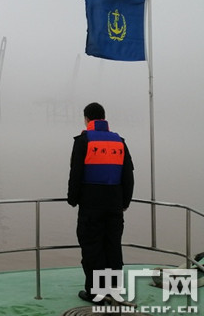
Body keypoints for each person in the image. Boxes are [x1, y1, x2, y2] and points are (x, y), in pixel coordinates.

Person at [67, 102, 134, 303]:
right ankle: (112, 290)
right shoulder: (119, 141)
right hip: (114, 204)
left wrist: (72, 199)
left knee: (92, 248)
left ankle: (95, 293)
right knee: (112, 247)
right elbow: (128, 176)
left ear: (87, 119)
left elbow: (76, 173)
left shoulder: (83, 141)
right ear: (103, 118)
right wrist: (125, 202)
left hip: (91, 205)